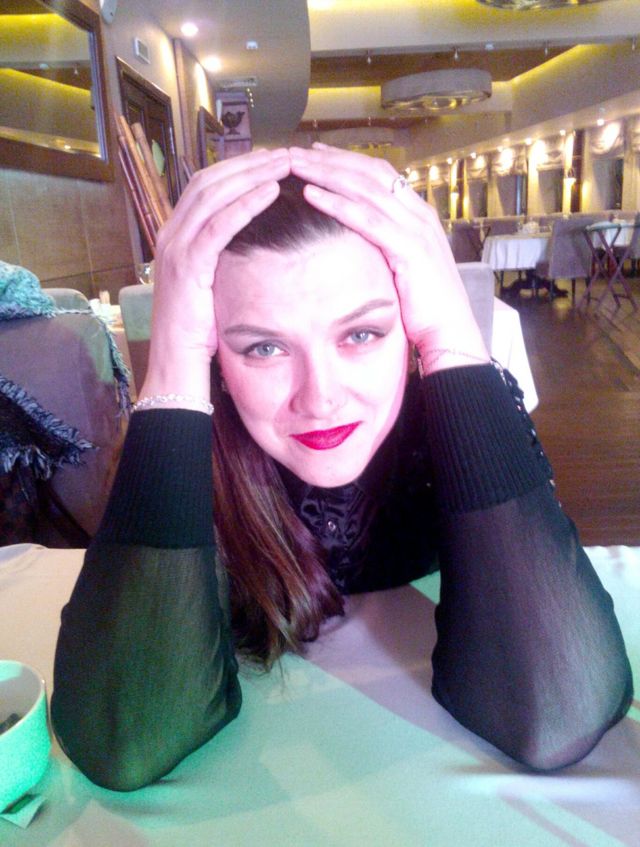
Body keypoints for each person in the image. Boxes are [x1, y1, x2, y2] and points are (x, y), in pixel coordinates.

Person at [51, 146, 633, 792]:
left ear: (406, 327)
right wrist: (172, 364)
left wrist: (451, 331)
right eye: (264, 347)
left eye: (361, 334)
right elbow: (127, 738)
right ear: (216, 358)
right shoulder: (196, 449)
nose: (320, 397)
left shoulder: (444, 423)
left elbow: (560, 712)